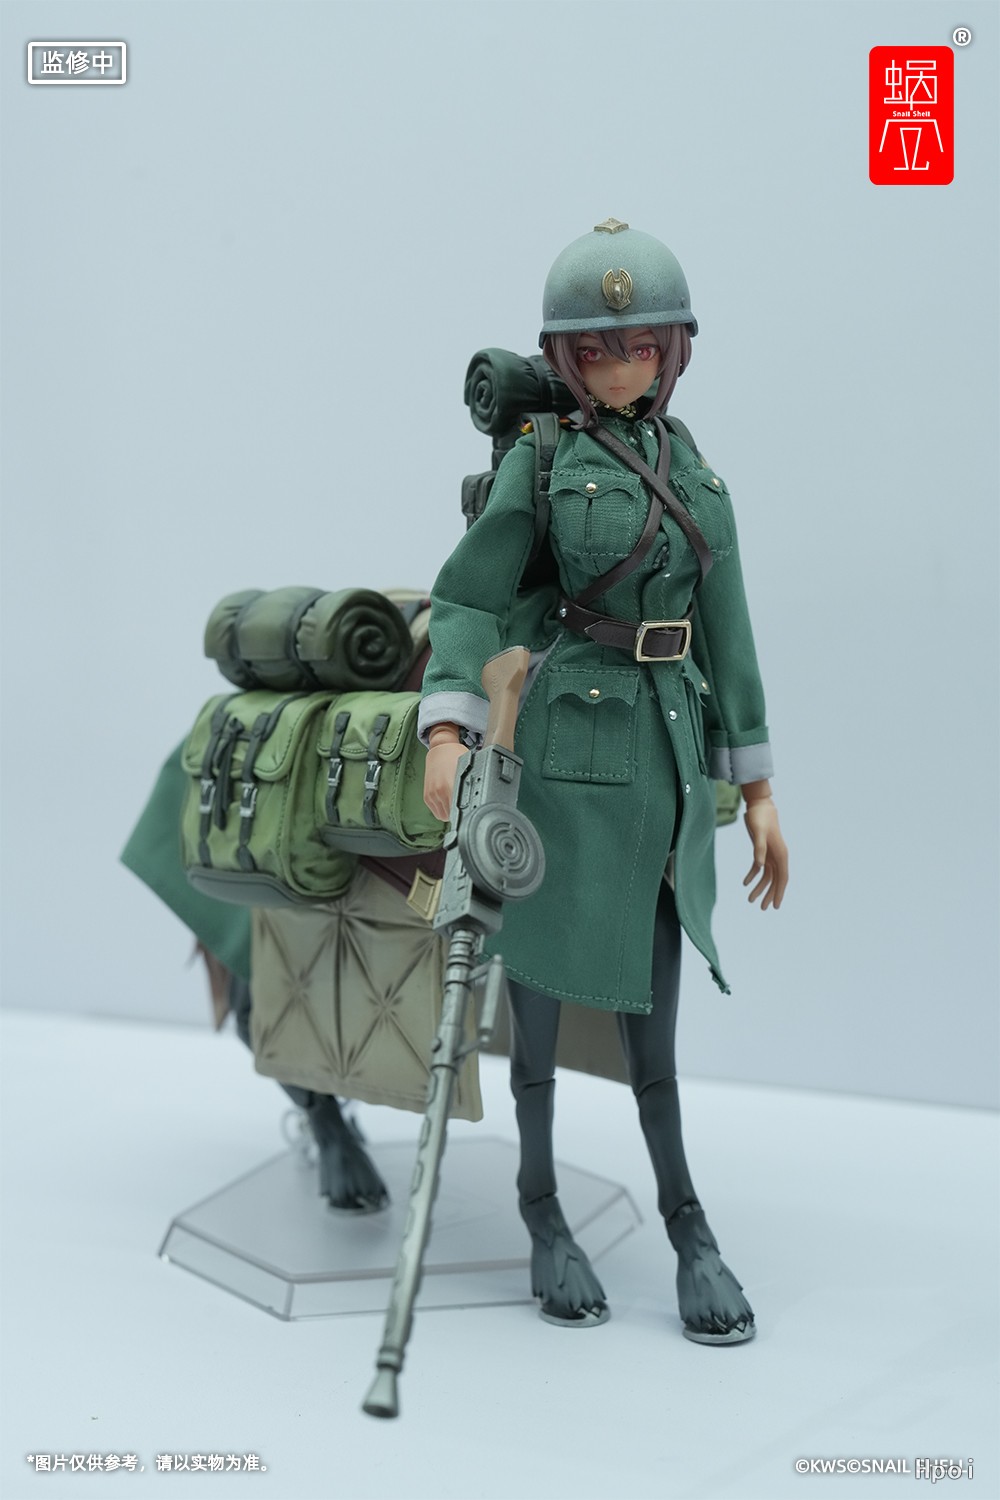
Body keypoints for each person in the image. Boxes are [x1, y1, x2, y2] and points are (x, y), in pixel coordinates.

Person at [418, 220, 788, 1343]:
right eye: (595, 351)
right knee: (534, 1016)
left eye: (640, 348)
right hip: (559, 758)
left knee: (651, 1032)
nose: (620, 368)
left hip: (664, 760)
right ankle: (542, 1212)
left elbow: (729, 626)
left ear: (674, 352)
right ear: (564, 359)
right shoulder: (539, 462)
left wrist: (758, 788)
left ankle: (689, 1228)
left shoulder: (695, 470)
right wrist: (448, 730)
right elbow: (471, 594)